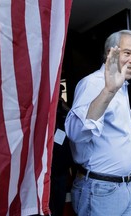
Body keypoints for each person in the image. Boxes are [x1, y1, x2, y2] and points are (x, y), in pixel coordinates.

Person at [64, 29, 131, 216]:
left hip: (126, 188)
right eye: (127, 53)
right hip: (100, 191)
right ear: (111, 53)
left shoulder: (122, 86)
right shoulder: (94, 84)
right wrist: (108, 91)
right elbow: (75, 133)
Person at [50, 84, 74, 216]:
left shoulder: (64, 110)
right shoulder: (46, 109)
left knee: (61, 199)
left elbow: (76, 121)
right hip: (51, 165)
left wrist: (65, 108)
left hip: (62, 164)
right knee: (51, 200)